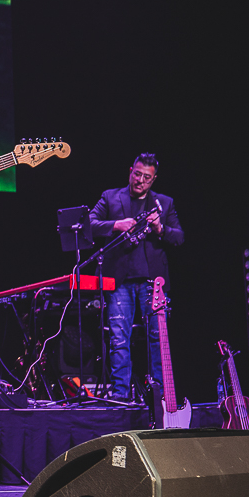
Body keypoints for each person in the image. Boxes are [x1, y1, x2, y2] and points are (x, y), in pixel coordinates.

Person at [88, 153, 185, 401]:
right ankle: (120, 396)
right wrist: (116, 225)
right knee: (119, 339)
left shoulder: (165, 202)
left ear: (153, 180)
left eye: (147, 177)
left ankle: (162, 397)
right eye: (137, 174)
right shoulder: (111, 197)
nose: (140, 180)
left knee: (157, 338)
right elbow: (88, 223)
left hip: (153, 283)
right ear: (130, 171)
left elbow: (179, 237)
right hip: (119, 281)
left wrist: (159, 228)